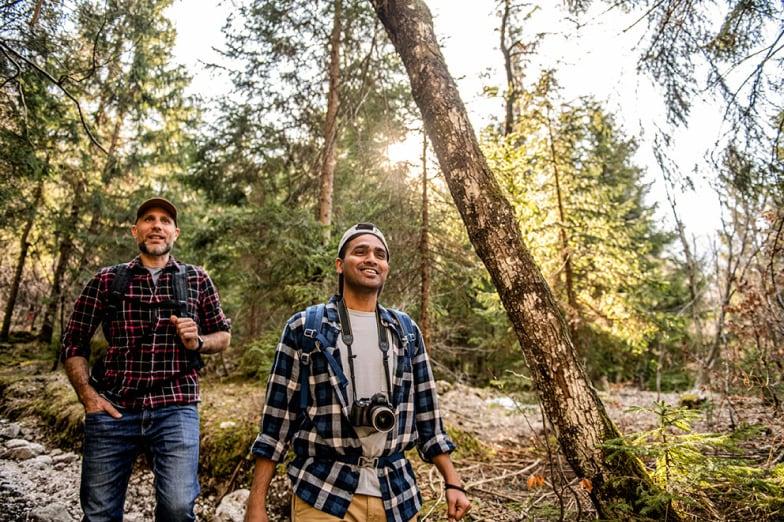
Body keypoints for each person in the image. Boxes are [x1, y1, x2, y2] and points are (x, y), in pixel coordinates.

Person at [245, 223, 470, 522]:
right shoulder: (306, 327)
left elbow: (428, 416)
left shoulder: (405, 331)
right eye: (359, 251)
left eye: (380, 254)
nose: (371, 259)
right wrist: (255, 503)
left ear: (386, 267)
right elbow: (276, 421)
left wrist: (453, 482)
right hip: (323, 491)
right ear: (340, 265)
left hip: (396, 494)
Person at [61, 197, 231, 522]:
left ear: (176, 233)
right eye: (149, 219)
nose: (157, 226)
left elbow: (222, 335)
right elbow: (74, 340)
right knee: (99, 513)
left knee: (178, 509)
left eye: (165, 221)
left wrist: (197, 341)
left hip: (176, 406)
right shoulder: (107, 281)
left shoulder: (196, 279)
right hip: (113, 407)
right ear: (135, 230)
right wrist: (88, 397)